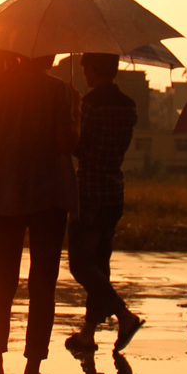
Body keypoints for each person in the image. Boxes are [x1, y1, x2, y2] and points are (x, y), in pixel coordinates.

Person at [0, 50, 79, 374]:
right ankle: (31, 372)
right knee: (42, 284)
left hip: (2, 190)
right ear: (50, 53)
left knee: (1, 281)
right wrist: (74, 119)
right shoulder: (60, 91)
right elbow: (65, 144)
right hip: (47, 193)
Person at [64, 53, 142, 355]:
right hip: (114, 190)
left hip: (89, 191)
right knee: (100, 263)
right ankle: (88, 333)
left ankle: (124, 315)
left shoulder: (90, 104)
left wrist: (73, 118)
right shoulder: (129, 106)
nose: (83, 73)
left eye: (85, 68)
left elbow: (79, 148)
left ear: (93, 69)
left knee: (82, 265)